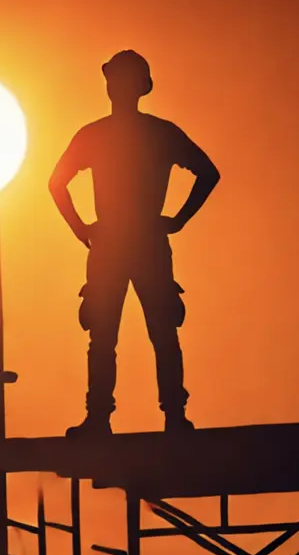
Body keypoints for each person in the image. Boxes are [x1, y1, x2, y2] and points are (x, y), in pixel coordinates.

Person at [48, 49, 222, 437]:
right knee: (145, 333)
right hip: (138, 243)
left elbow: (56, 183)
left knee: (116, 335)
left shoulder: (99, 134)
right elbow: (207, 173)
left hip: (121, 243)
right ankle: (167, 417)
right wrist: (176, 220)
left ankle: (112, 418)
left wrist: (82, 228)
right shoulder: (157, 133)